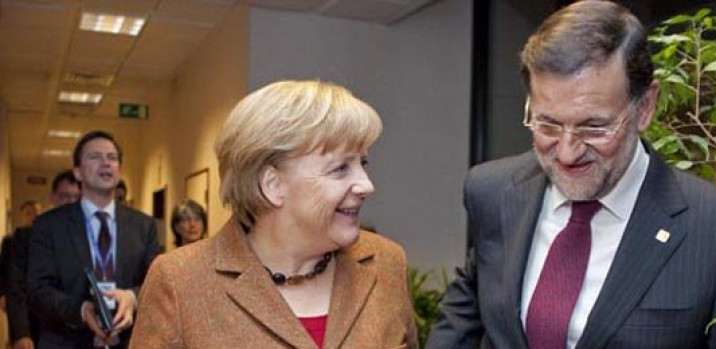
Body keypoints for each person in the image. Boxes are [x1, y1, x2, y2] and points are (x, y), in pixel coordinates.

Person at [426, 1, 716, 348]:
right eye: (547, 123)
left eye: (594, 127)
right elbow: (463, 322)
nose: (567, 152)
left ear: (645, 107)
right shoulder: (493, 191)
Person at [131, 80, 417, 348]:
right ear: (273, 185)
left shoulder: (386, 263)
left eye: (363, 163)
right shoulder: (179, 281)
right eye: (340, 168)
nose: (367, 185)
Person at [27, 131, 161, 348]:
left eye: (112, 157)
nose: (105, 163)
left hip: (129, 341)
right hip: (66, 341)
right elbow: (37, 289)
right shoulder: (49, 225)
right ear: (77, 172)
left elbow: (157, 281)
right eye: (95, 157)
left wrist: (132, 297)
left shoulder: (144, 226)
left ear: (119, 170)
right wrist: (81, 309)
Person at [5, 171, 81, 349]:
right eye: (64, 196)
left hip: (76, 332)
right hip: (37, 332)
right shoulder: (26, 237)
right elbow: (16, 288)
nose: (70, 202)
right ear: (53, 198)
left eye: (76, 197)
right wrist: (22, 333)